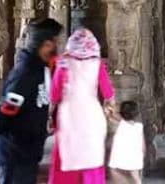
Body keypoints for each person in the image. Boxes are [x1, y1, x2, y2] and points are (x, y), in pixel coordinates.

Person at [0, 18, 63, 184]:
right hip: (14, 151)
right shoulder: (26, 73)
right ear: (46, 45)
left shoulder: (41, 70)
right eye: (55, 42)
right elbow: (7, 108)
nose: (58, 47)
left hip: (26, 151)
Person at [48, 29, 116, 184]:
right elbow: (108, 93)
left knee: (66, 155)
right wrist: (110, 109)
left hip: (70, 115)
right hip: (91, 115)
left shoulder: (63, 63)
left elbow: (54, 94)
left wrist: (49, 114)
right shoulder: (97, 64)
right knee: (91, 157)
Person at [108, 101, 145, 184]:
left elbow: (112, 118)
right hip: (134, 157)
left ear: (121, 113)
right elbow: (143, 145)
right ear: (137, 114)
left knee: (114, 172)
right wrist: (143, 154)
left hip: (120, 157)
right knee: (136, 176)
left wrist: (109, 112)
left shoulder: (120, 124)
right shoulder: (139, 127)